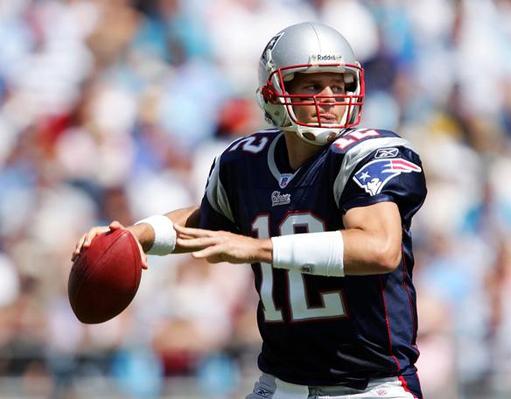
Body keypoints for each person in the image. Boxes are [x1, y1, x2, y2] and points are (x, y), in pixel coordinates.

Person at [73, 22, 427, 399]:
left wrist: (259, 248)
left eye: (338, 85)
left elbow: (379, 249)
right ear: (275, 94)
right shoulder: (246, 163)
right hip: (279, 385)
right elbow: (204, 223)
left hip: (369, 387)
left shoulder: (367, 153)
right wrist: (134, 235)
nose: (329, 97)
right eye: (311, 85)